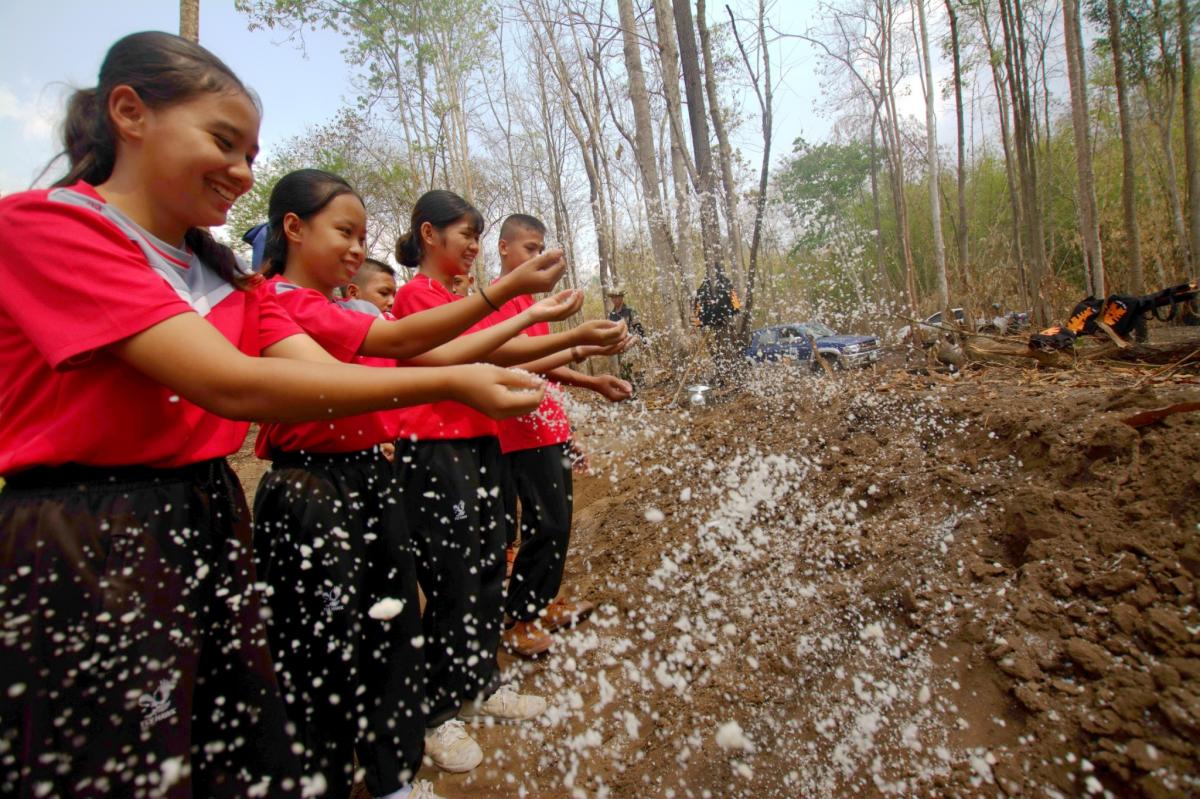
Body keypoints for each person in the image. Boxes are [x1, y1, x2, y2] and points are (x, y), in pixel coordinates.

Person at [0, 32, 547, 799]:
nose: (241, 173)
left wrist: (476, 356)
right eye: (223, 142)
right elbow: (233, 384)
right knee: (121, 758)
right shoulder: (50, 229)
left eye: (252, 154)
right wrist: (455, 385)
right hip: (95, 528)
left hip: (206, 509)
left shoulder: (222, 278)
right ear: (129, 112)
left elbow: (340, 366)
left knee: (241, 744)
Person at [248, 169, 585, 799]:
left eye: (363, 235)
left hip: (386, 468)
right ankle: (407, 730)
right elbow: (423, 357)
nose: (356, 248)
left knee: (419, 608)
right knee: (343, 633)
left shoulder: (339, 309)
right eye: (344, 232)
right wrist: (516, 304)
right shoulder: (284, 302)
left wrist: (557, 334)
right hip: (356, 474)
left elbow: (452, 358)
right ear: (292, 229)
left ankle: (402, 760)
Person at [390, 191, 628, 774]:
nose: (472, 246)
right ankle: (437, 713)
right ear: (428, 235)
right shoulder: (414, 297)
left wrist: (580, 341)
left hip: (482, 442)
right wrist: (566, 339)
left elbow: (509, 349)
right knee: (450, 577)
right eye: (464, 235)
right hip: (434, 448)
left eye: (476, 236)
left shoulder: (461, 298)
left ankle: (481, 682)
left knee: (489, 562)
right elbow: (471, 352)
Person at [488, 214, 634, 658]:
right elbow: (521, 362)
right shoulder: (498, 304)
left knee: (556, 522)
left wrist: (569, 423)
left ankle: (542, 601)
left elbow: (547, 366)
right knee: (544, 523)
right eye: (530, 249)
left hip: (547, 427)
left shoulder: (533, 304)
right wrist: (586, 353)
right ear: (504, 248)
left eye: (541, 249)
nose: (538, 257)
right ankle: (518, 619)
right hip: (519, 431)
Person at [692, 264, 743, 384]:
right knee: (725, 348)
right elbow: (736, 305)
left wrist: (701, 321)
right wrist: (730, 312)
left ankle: (730, 375)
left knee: (726, 348)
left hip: (715, 320)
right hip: (719, 319)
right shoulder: (717, 285)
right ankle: (728, 375)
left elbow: (697, 307)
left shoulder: (706, 286)